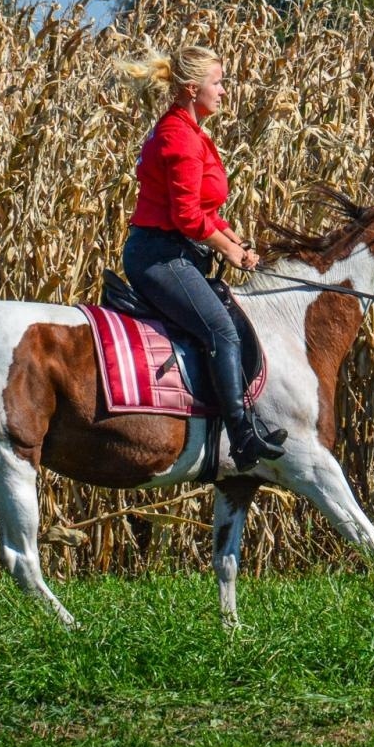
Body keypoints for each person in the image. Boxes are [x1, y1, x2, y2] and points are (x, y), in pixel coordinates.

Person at [115, 45, 286, 470]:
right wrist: (227, 249)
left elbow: (205, 210)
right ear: (193, 89)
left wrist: (236, 241)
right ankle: (242, 438)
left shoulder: (192, 132)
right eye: (218, 82)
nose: (224, 91)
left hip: (178, 251)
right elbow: (187, 216)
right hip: (160, 256)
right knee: (221, 331)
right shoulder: (178, 137)